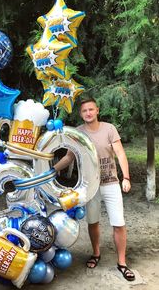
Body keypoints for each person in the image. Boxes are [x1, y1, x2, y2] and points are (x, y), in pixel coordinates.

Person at [54, 98, 135, 281]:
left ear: (97, 110)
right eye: (84, 111)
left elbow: (120, 153)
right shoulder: (78, 133)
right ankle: (96, 253)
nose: (88, 113)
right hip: (90, 187)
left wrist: (126, 177)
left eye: (91, 109)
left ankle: (122, 263)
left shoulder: (109, 129)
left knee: (119, 223)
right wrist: (52, 170)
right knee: (93, 222)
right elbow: (69, 158)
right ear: (81, 114)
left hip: (111, 182)